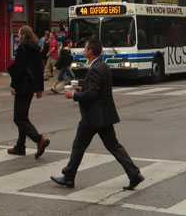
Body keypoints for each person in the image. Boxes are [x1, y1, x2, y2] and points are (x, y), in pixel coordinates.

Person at [52, 39, 144, 190]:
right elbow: (97, 89)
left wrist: (74, 95)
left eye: (86, 47)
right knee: (113, 146)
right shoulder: (103, 66)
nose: (84, 49)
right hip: (103, 115)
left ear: (90, 51)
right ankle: (134, 174)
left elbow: (93, 94)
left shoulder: (95, 68)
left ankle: (68, 177)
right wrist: (81, 89)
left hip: (93, 116)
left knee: (79, 145)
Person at [7, 26, 50, 158]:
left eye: (19, 35)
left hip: (22, 85)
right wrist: (39, 88)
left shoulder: (23, 48)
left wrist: (13, 85)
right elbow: (39, 69)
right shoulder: (36, 48)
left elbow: (20, 69)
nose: (18, 37)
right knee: (23, 116)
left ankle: (39, 139)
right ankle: (20, 146)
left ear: (24, 35)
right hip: (31, 86)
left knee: (18, 118)